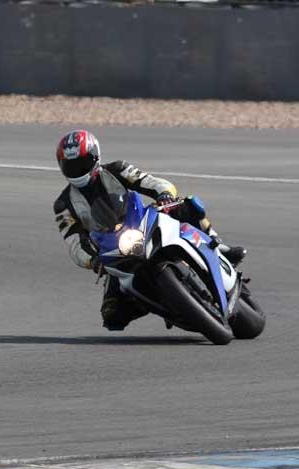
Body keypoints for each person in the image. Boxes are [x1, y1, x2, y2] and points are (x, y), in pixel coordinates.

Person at [53, 130, 246, 331]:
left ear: (95, 156)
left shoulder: (117, 170)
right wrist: (92, 260)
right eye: (71, 165)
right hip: (111, 251)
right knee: (112, 316)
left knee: (188, 206)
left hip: (142, 222)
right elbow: (75, 243)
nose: (77, 169)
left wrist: (164, 195)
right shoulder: (63, 205)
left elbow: (151, 182)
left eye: (82, 162)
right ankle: (163, 304)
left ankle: (219, 245)